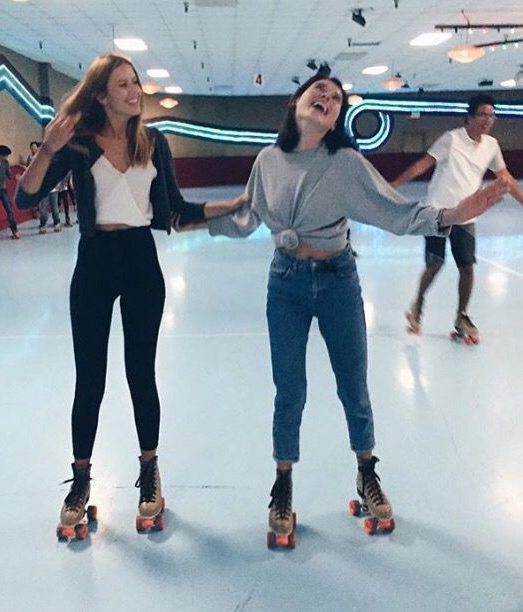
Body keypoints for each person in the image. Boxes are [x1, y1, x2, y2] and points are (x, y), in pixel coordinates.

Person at [180, 72, 507, 543]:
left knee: (354, 386)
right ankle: (283, 482)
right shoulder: (268, 161)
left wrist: (453, 215)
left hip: (337, 281)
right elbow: (245, 216)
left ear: (336, 118)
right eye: (320, 92)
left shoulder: (347, 164)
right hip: (286, 283)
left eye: (336, 98)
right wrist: (188, 221)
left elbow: (396, 212)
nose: (328, 99)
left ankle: (366, 471)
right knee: (288, 390)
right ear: (297, 102)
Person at [15, 53, 242, 534]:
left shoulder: (153, 143)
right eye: (123, 84)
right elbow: (26, 198)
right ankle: (80, 481)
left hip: (141, 262)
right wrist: (48, 148)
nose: (134, 90)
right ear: (101, 94)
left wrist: (235, 205)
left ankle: (149, 471)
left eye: (135, 82)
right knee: (90, 378)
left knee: (141, 372)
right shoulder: (76, 145)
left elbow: (173, 212)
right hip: (95, 264)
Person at [390, 94, 522, 341]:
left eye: (491, 115)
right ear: (469, 117)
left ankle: (462, 315)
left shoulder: (491, 145)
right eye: (482, 114)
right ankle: (417, 305)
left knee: (467, 267)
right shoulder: (451, 139)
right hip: (436, 213)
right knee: (435, 264)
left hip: (466, 214)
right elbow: (423, 164)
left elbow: (506, 178)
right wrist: (394, 184)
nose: (488, 120)